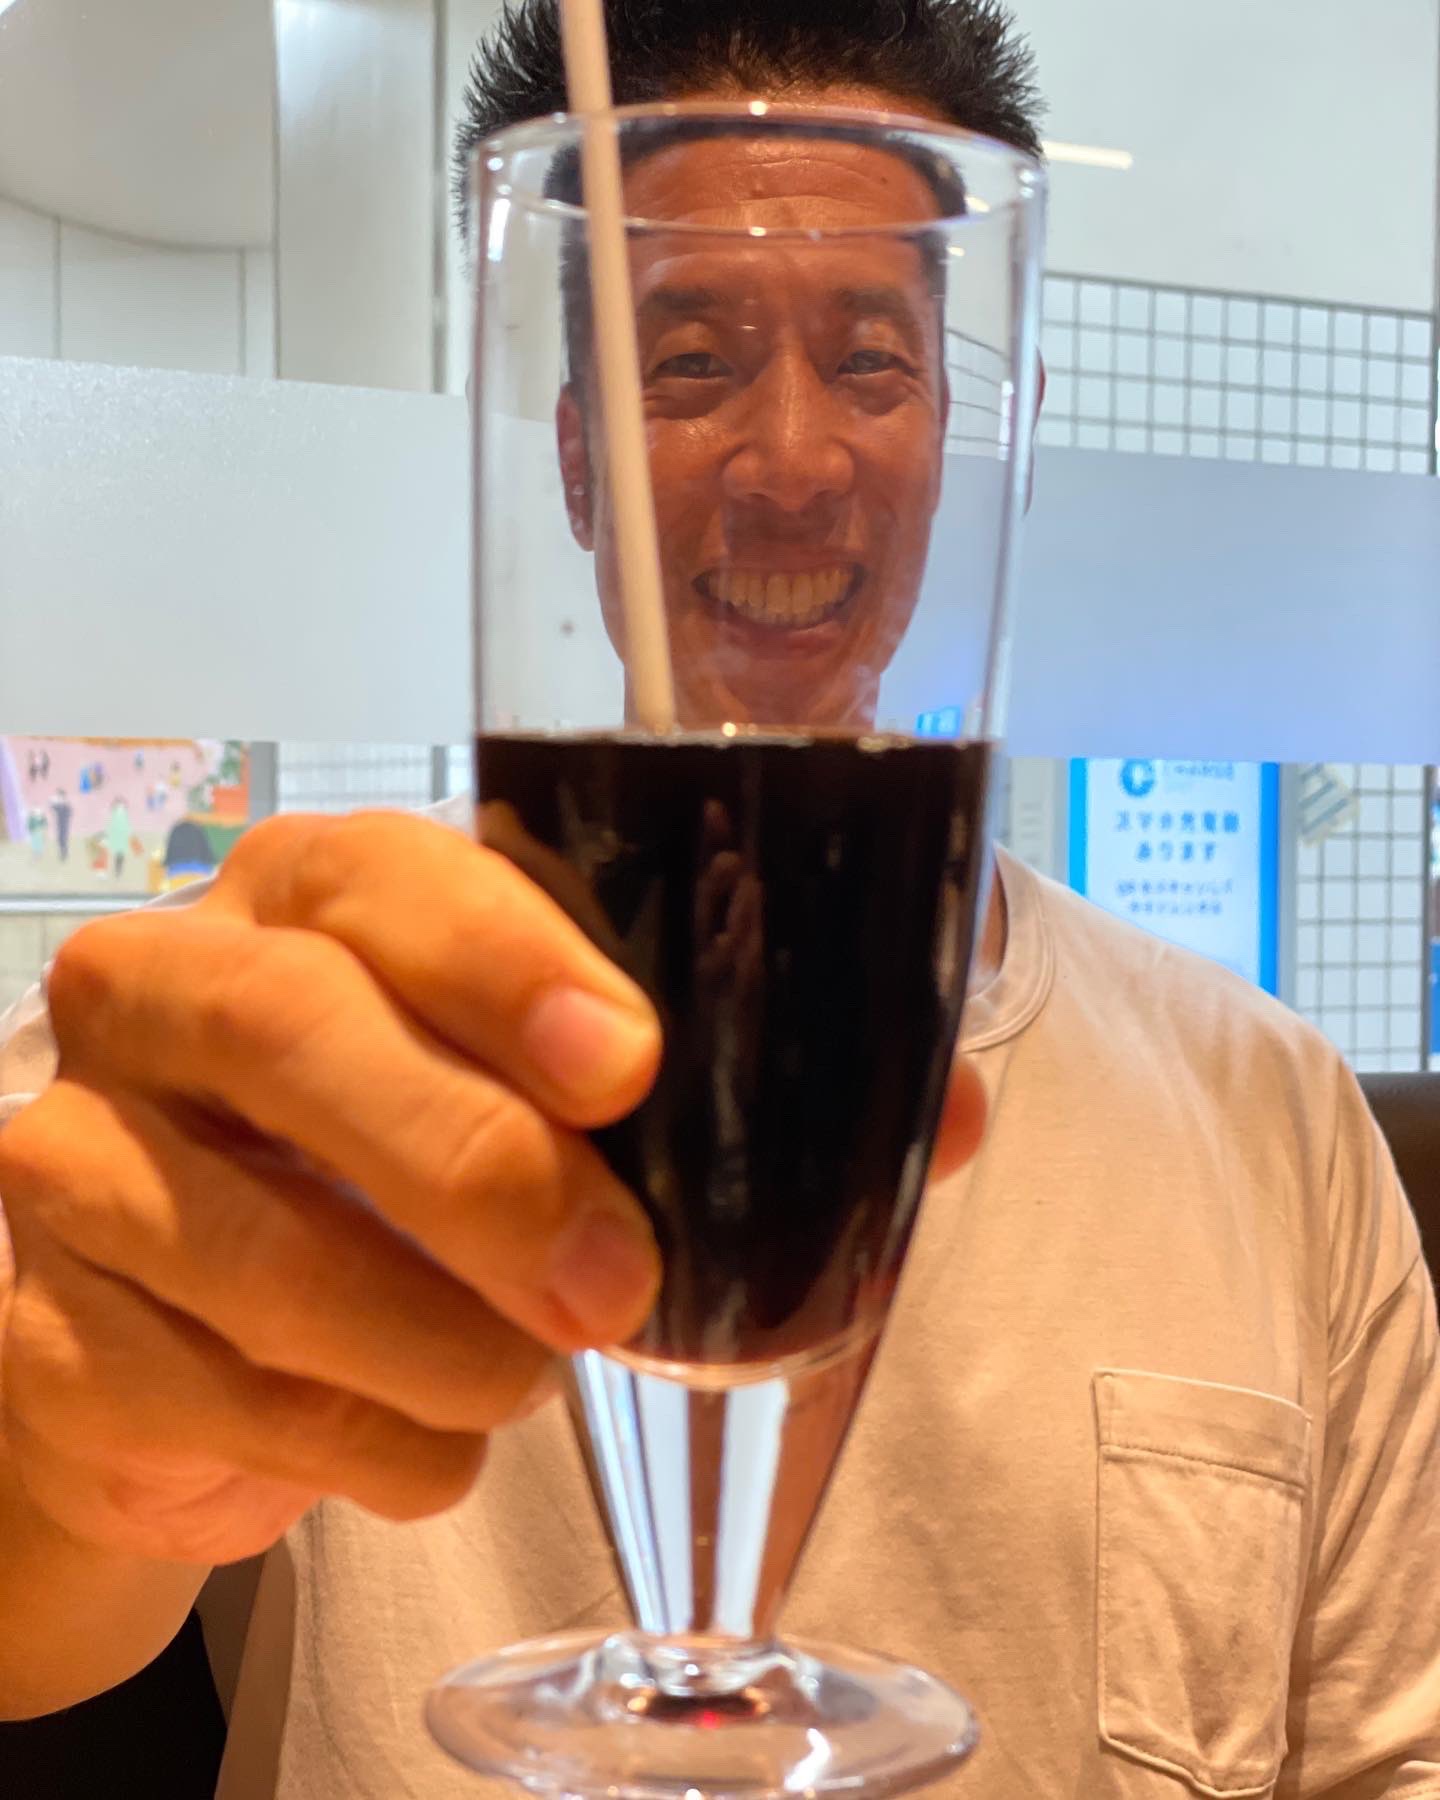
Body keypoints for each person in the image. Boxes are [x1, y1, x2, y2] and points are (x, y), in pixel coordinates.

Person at [0, 3, 1437, 1795]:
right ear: (574, 457)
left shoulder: (1270, 1112)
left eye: (872, 360)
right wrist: (70, 1464)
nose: (794, 461)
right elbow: (32, 1619)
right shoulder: (281, 1050)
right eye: (688, 361)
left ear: (966, 434)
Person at [47, 787, 72, 863]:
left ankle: (64, 854)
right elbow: (53, 809)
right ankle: (63, 853)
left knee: (63, 840)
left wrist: (54, 805)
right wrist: (51, 804)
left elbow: (66, 813)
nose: (58, 797)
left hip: (64, 825)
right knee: (60, 840)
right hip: (60, 824)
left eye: (59, 795)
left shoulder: (66, 805)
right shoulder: (61, 804)